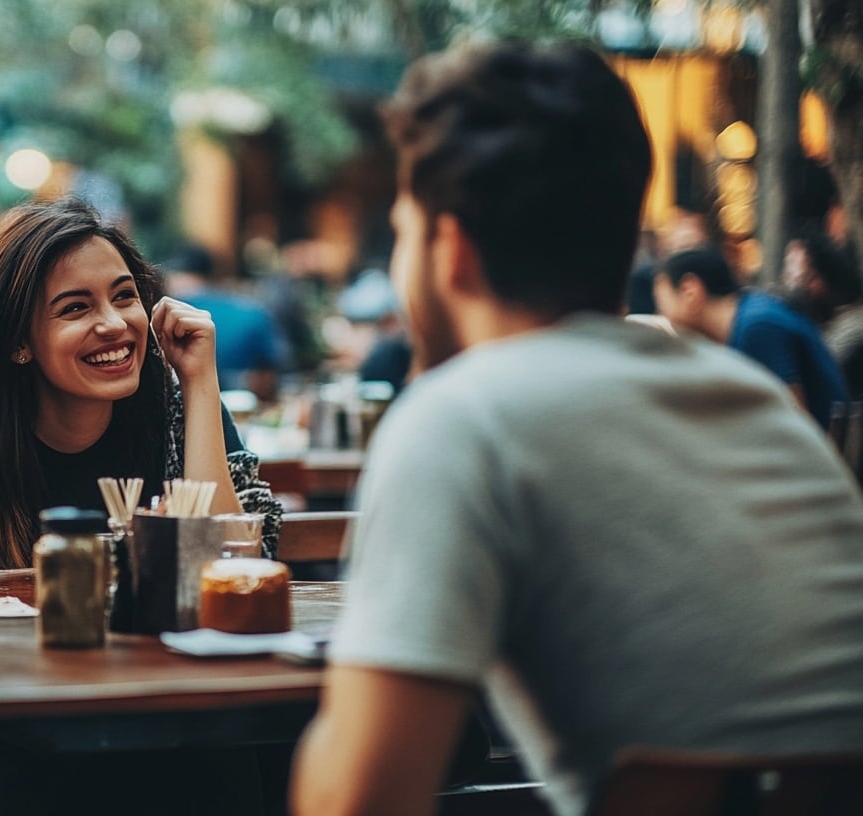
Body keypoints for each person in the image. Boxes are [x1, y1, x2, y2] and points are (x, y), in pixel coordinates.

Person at [291, 42, 863, 816]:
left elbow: (356, 802)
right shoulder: (757, 405)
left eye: (404, 232)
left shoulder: (461, 420)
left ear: (448, 250)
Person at [0, 197, 282, 816]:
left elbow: (238, 565)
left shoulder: (172, 403)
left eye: (124, 296)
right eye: (75, 308)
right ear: (18, 343)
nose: (114, 325)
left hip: (163, 716)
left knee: (228, 766)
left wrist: (199, 381)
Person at [654, 246, 848, 426]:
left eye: (662, 303)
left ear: (690, 291)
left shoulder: (757, 327)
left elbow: (791, 425)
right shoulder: (750, 313)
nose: (661, 316)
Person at [161, 243, 288, 399]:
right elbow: (280, 366)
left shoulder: (161, 316)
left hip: (188, 402)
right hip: (246, 403)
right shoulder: (252, 311)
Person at [782, 232, 863, 399]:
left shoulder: (855, 327)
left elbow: (816, 374)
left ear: (820, 279)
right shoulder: (823, 322)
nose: (793, 287)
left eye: (800, 278)